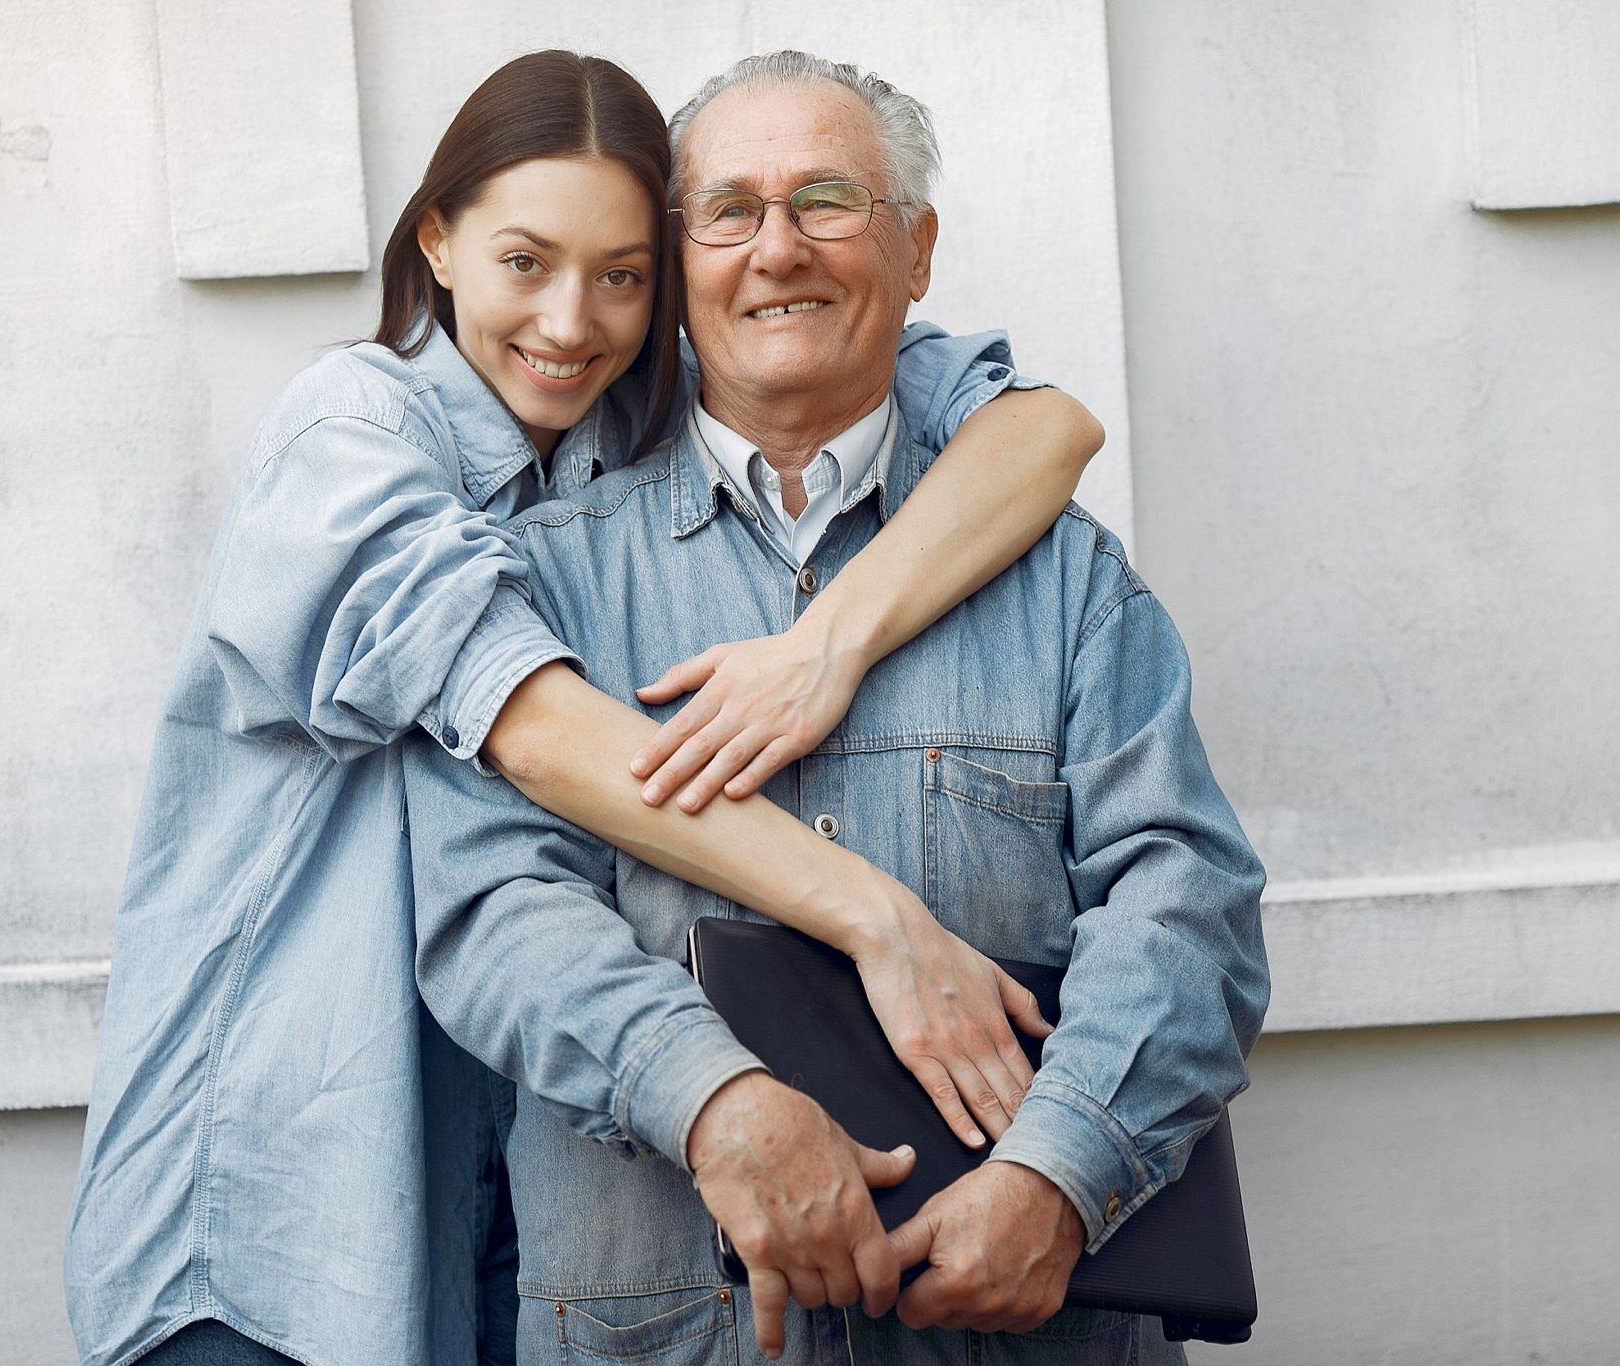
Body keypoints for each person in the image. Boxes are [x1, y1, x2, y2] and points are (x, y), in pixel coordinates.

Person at [65, 50, 1108, 1366]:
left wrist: (829, 644)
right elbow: (542, 737)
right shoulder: (350, 440)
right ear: (436, 241)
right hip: (281, 1209)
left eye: (622, 275)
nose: (571, 321)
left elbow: (1042, 431)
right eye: (525, 262)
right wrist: (881, 922)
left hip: (507, 1203)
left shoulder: (614, 433)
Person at [404, 49, 1271, 1366]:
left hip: (1026, 1328)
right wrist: (716, 1100)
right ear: (676, 264)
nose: (778, 249)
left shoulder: (1065, 577)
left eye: (827, 199)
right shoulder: (541, 574)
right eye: (729, 211)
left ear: (916, 252)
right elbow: (492, 914)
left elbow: (1188, 902)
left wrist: (1061, 1170)